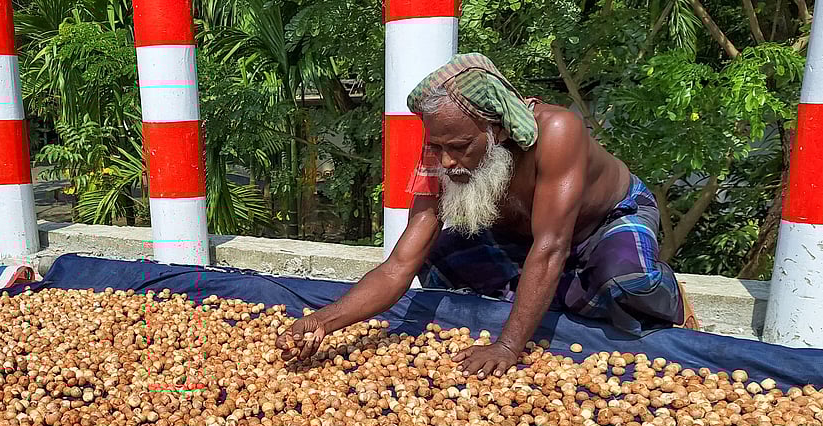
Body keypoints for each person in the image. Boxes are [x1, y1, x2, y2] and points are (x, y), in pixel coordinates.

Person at [276, 54, 698, 377]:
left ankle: (668, 297)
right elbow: (398, 266)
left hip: (602, 221)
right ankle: (557, 296)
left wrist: (509, 347)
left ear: (495, 129)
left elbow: (552, 248)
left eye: (459, 146)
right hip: (526, 237)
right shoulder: (439, 154)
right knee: (438, 251)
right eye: (437, 146)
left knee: (625, 280)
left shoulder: (557, 132)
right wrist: (322, 321)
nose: (447, 160)